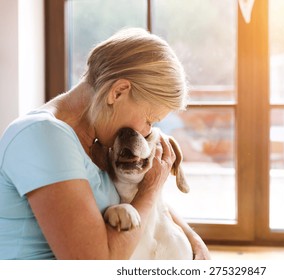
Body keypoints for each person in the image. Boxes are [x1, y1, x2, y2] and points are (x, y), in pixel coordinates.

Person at [0, 28, 210, 260]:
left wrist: (192, 238)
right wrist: (150, 190)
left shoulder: (97, 142)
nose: (146, 132)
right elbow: (95, 266)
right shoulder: (44, 136)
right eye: (149, 120)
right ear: (118, 92)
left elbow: (133, 202)